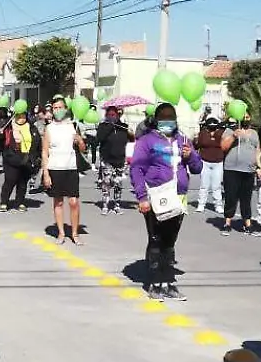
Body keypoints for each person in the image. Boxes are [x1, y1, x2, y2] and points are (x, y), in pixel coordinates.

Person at [131, 103, 202, 301]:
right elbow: (136, 169)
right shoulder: (147, 141)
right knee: (156, 239)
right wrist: (142, 197)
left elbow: (197, 168)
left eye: (171, 118)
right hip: (156, 195)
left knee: (170, 242)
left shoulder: (183, 140)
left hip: (178, 197)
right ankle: (154, 283)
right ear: (156, 120)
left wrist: (192, 156)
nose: (168, 122)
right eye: (164, 118)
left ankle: (168, 282)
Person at [42, 96, 87, 245]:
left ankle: (74, 233)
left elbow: (83, 149)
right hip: (55, 168)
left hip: (71, 168)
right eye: (55, 108)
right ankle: (61, 233)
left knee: (74, 202)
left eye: (60, 107)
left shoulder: (73, 125)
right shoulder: (49, 128)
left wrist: (80, 140)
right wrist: (46, 174)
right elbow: (44, 152)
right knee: (58, 202)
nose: (58, 110)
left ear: (66, 109)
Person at [220, 113, 261, 236]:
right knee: (231, 197)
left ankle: (247, 224)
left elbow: (257, 151)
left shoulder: (254, 133)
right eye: (243, 117)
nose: (246, 119)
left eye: (248, 117)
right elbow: (223, 147)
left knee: (246, 198)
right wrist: (233, 136)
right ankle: (227, 223)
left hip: (249, 170)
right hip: (232, 169)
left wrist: (259, 167)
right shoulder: (229, 130)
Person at [0, 107, 40, 212]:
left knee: (22, 182)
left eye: (23, 116)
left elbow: (37, 141)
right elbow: (0, 140)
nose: (21, 118)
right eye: (18, 116)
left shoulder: (31, 127)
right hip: (12, 157)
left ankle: (19, 202)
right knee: (10, 180)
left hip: (27, 158)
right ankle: (4, 202)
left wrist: (37, 157)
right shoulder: (9, 127)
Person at [95, 106, 134, 214]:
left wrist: (131, 134)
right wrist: (110, 126)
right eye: (109, 115)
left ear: (118, 115)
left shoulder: (123, 127)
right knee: (107, 182)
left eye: (114, 115)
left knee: (118, 183)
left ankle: (117, 205)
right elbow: (99, 138)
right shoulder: (103, 126)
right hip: (107, 159)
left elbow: (131, 140)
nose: (112, 117)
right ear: (106, 115)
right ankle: (105, 205)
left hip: (120, 159)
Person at [194, 116, 226, 214]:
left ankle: (218, 205)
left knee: (216, 186)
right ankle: (201, 204)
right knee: (204, 185)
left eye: (214, 125)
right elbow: (197, 145)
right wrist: (195, 139)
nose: (212, 127)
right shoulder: (203, 133)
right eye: (210, 125)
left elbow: (224, 145)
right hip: (205, 162)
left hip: (218, 162)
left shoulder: (221, 133)